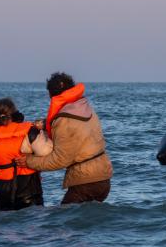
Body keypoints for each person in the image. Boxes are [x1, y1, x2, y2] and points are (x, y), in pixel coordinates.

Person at [19, 72, 114, 204]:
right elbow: (75, 126)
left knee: (61, 223)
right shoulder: (87, 109)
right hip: (104, 179)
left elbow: (59, 160)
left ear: (51, 95)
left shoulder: (63, 120)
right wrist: (46, 124)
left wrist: (29, 161)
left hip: (86, 181)